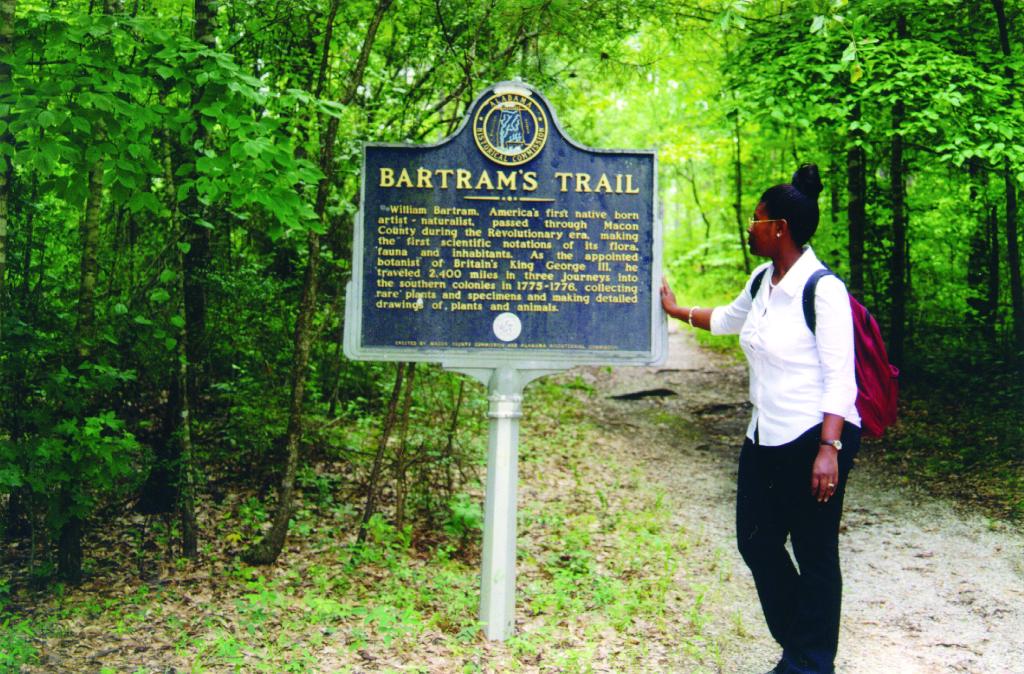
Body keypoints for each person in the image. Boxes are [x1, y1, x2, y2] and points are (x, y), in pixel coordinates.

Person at [660, 164, 861, 674]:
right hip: (764, 432)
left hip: (815, 436)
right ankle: (803, 646)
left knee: (815, 554)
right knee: (755, 540)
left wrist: (828, 449)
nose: (750, 226)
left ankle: (808, 663)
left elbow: (841, 378)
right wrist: (675, 310)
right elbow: (728, 319)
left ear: (780, 229)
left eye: (757, 219)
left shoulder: (823, 290)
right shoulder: (762, 280)